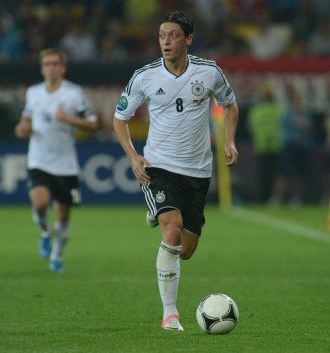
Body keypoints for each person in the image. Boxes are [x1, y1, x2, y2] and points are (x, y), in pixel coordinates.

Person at [113, 10, 238, 331]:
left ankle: (157, 212)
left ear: (188, 39)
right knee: (172, 228)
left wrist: (229, 142)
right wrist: (132, 156)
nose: (165, 42)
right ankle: (170, 315)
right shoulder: (145, 76)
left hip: (198, 171)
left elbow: (231, 104)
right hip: (159, 166)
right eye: (161, 36)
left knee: (185, 250)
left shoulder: (208, 72)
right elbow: (120, 118)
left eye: (173, 36)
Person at [14, 48, 98, 273]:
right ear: (42, 69)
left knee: (63, 213)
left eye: (55, 63)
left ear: (62, 67)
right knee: (39, 203)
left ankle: (57, 255)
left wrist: (67, 119)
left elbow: (92, 123)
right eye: (47, 64)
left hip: (65, 164)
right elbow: (27, 118)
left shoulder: (74, 93)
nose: (51, 67)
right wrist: (22, 127)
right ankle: (44, 233)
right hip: (38, 159)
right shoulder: (33, 92)